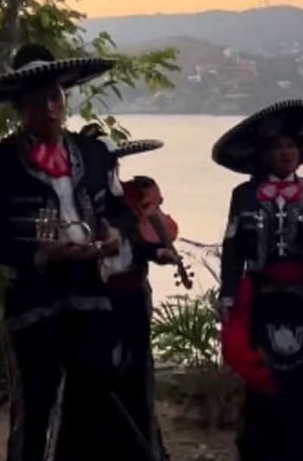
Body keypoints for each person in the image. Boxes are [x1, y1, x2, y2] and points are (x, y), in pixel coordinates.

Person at [0, 43, 146, 460]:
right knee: (36, 404)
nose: (49, 108)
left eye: (55, 97)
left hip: (92, 297)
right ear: (18, 107)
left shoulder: (96, 154)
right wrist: (39, 254)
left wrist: (116, 236)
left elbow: (122, 211)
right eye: (36, 100)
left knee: (95, 398)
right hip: (33, 301)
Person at [213, 99, 303, 461]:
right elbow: (233, 248)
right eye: (277, 147)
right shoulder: (243, 196)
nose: (285, 153)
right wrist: (227, 297)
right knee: (266, 380)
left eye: (291, 146)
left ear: (301, 153)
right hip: (264, 298)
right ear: (264, 155)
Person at [80, 124, 180, 461]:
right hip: (92, 299)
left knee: (137, 375)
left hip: (132, 294)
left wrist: (159, 252)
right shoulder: (75, 201)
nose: (111, 169)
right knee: (97, 376)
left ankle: (145, 449)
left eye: (112, 163)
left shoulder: (126, 201)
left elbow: (138, 245)